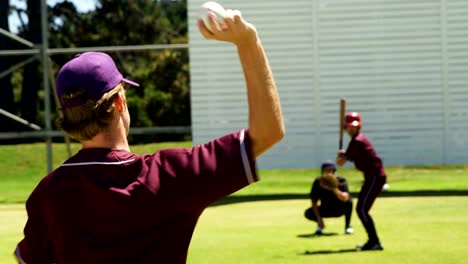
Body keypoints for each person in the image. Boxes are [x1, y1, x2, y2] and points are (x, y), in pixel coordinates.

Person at [15, 8, 284, 264]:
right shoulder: (168, 176)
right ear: (119, 102)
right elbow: (268, 131)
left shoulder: (48, 194)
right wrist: (248, 42)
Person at [336, 112, 386, 251]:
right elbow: (350, 157)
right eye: (349, 127)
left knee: (362, 209)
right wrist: (344, 155)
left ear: (359, 127)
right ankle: (373, 241)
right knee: (362, 209)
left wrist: (341, 155)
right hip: (372, 178)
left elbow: (340, 162)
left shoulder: (357, 141)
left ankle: (374, 241)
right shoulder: (356, 141)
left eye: (354, 127)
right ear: (346, 128)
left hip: (375, 177)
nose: (351, 129)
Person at [304, 160, 353, 235]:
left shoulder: (341, 180)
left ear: (334, 171)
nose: (329, 172)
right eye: (326, 170)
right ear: (322, 171)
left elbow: (345, 198)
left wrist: (333, 187)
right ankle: (320, 227)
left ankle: (347, 227)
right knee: (308, 213)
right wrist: (319, 219)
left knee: (349, 202)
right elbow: (314, 201)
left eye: (331, 170)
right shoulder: (318, 182)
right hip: (326, 209)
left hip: (339, 209)